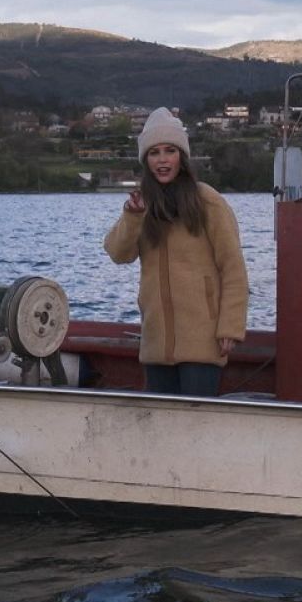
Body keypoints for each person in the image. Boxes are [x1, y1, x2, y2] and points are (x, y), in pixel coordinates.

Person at [103, 107, 248, 396]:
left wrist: (230, 327)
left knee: (195, 423)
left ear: (182, 156)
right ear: (146, 160)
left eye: (170, 150)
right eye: (154, 153)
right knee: (161, 426)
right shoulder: (140, 205)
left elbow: (233, 268)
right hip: (156, 344)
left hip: (203, 343)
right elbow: (118, 254)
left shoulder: (208, 201)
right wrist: (133, 217)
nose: (162, 160)